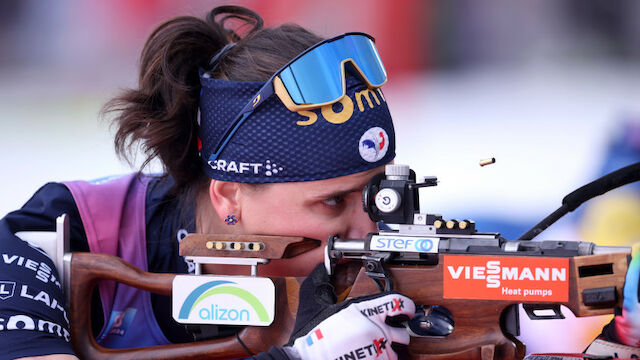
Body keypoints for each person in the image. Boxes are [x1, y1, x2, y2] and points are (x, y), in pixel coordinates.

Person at [0, 5, 637, 360]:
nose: (365, 227)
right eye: (331, 201)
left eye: (375, 193)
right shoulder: (59, 233)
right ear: (228, 194)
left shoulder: (383, 258)